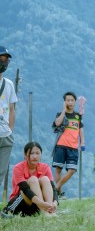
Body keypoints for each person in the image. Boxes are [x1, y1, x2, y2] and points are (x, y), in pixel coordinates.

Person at [3, 141, 58, 216]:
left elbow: (53, 188)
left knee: (45, 179)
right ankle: (45, 212)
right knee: (33, 180)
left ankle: (51, 210)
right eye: (32, 153)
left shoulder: (45, 167)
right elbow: (25, 190)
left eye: (37, 153)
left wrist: (54, 203)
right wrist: (42, 204)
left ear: (41, 155)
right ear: (25, 155)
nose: (35, 156)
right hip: (21, 204)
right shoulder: (18, 168)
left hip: (37, 206)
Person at [51, 91, 85, 197]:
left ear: (75, 102)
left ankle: (56, 188)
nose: (70, 102)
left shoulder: (77, 116)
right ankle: (59, 193)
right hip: (60, 145)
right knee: (58, 169)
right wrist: (63, 110)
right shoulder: (60, 114)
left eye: (72, 100)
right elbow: (57, 123)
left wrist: (82, 142)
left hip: (73, 147)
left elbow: (80, 129)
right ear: (64, 102)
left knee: (72, 170)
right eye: (67, 100)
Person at [0, 46, 16, 197]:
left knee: (1, 173)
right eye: (1, 59)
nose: (3, 62)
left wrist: (10, 130)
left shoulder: (9, 84)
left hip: (6, 135)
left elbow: (12, 109)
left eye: (6, 60)